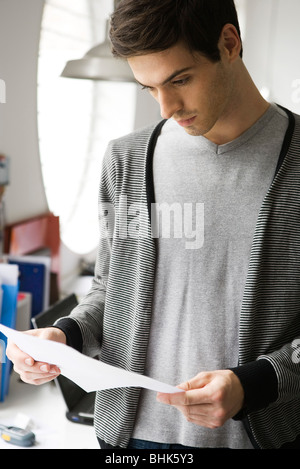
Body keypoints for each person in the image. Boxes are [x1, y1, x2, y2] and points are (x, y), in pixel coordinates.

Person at [6, 0, 300, 449]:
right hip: (128, 438)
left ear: (229, 43)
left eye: (179, 79)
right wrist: (64, 335)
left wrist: (256, 383)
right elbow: (109, 291)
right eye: (148, 87)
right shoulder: (125, 161)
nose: (167, 107)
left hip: (259, 436)